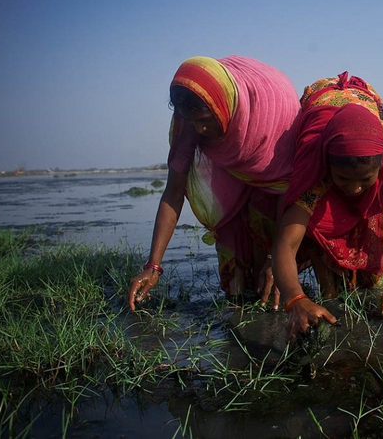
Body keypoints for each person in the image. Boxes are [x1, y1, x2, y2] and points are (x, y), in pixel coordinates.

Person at [128, 55, 300, 311]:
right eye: (191, 120)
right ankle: (239, 303)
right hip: (227, 173)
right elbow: (173, 192)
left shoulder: (277, 116)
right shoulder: (189, 121)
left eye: (205, 120)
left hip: (273, 167)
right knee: (237, 281)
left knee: (270, 251)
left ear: (223, 105)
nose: (198, 130)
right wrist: (153, 266)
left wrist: (276, 258)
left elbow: (285, 188)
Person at [271, 72, 383, 340]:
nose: (354, 189)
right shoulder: (315, 164)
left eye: (365, 180)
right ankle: (329, 292)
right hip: (321, 107)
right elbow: (286, 242)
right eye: (344, 180)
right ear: (329, 167)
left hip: (366, 107)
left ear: (380, 167)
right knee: (318, 231)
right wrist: (295, 299)